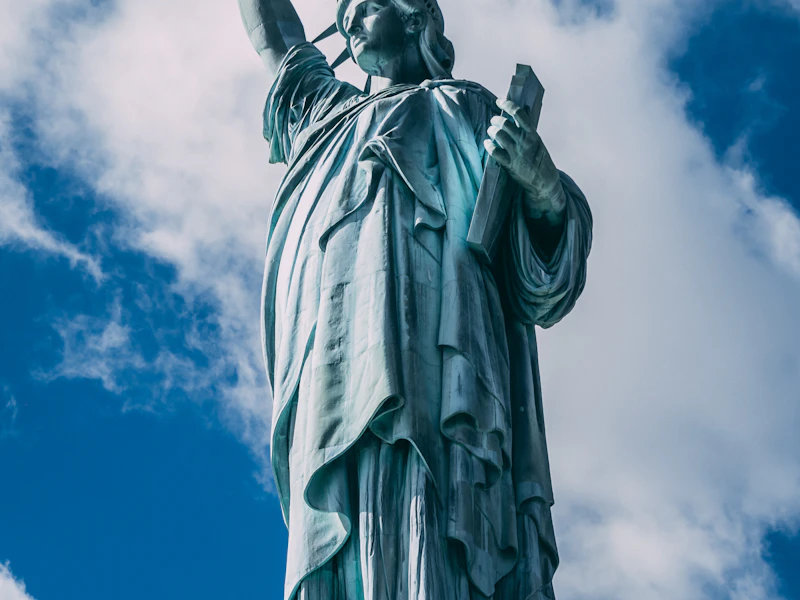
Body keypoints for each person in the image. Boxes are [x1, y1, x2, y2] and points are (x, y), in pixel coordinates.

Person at [237, 0, 593, 598]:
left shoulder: (467, 109)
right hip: (336, 365)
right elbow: (276, 37)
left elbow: (544, 282)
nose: (350, 19)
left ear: (414, 18)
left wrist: (542, 183)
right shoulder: (325, 118)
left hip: (446, 361)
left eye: (368, 5)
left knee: (435, 516)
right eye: (343, 11)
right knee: (344, 519)